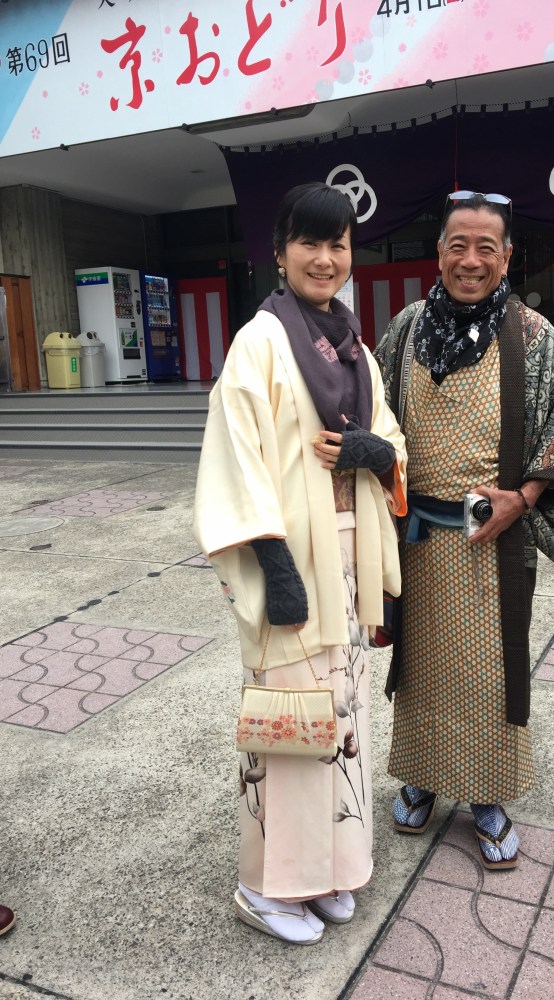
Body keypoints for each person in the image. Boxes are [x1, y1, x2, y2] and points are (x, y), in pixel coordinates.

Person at [194, 182, 406, 944]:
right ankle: (265, 886)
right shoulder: (258, 343)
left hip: (344, 562)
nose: (324, 258)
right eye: (308, 243)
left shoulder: (355, 347)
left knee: (339, 719)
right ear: (280, 253)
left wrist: (373, 451)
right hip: (286, 561)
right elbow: (235, 461)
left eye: (337, 244)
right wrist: (273, 566)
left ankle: (327, 870)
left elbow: (390, 442)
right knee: (287, 725)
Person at [374, 190, 554, 869]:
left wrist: (523, 499)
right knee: (419, 666)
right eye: (458, 245)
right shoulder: (407, 329)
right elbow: (375, 413)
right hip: (417, 537)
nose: (470, 260)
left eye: (485, 248)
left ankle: (487, 795)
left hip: (492, 541)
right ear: (438, 253)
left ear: (506, 257)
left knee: (490, 671)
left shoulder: (534, 336)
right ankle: (422, 774)